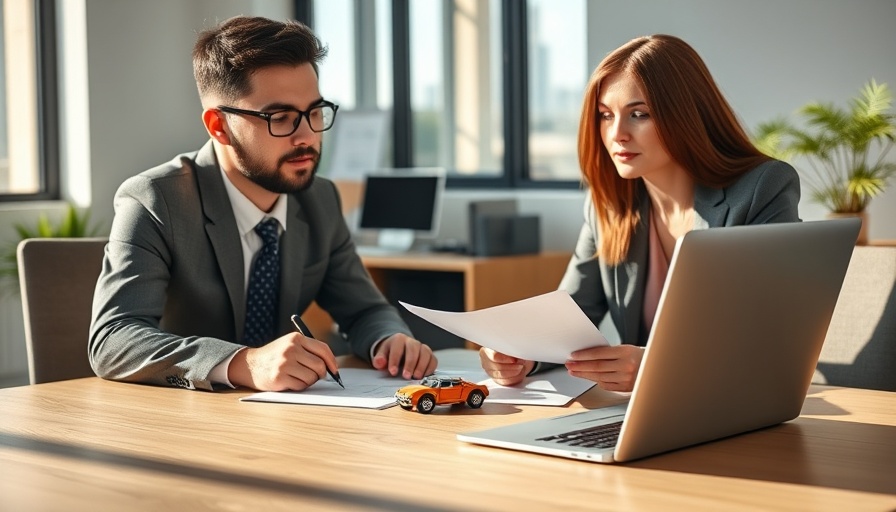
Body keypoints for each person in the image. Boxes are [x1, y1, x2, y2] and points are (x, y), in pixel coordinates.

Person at [89, 16, 438, 392]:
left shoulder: (319, 198)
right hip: (181, 423)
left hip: (283, 421)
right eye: (280, 117)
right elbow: (113, 340)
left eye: (315, 112)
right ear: (219, 126)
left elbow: (364, 309)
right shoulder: (156, 199)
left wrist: (390, 341)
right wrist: (243, 363)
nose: (306, 136)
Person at [480, 34, 800, 392]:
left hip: (733, 404)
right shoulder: (608, 205)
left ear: (686, 115)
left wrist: (658, 366)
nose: (617, 134)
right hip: (639, 415)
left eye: (639, 114)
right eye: (605, 115)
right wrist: (522, 353)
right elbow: (570, 319)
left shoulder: (762, 189)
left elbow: (771, 336)